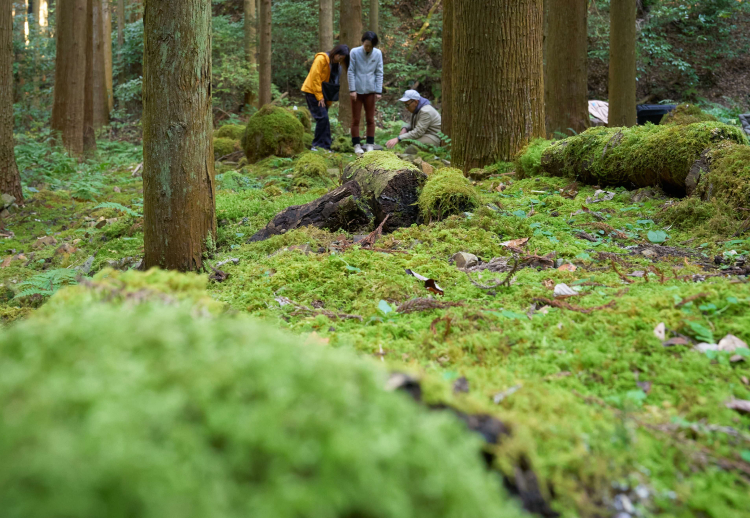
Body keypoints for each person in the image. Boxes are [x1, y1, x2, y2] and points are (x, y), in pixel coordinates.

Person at [301, 44, 350, 151]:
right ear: (336, 53)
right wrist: (319, 97)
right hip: (312, 92)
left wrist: (327, 100)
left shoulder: (336, 66)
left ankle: (326, 145)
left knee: (324, 119)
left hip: (323, 95)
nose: (340, 60)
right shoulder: (321, 59)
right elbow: (315, 78)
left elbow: (330, 85)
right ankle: (317, 145)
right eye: (340, 58)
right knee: (322, 118)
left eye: (342, 59)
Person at [348, 32, 384, 155]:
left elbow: (379, 72)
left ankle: (370, 144)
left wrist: (378, 91)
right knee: (356, 119)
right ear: (363, 42)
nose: (367, 47)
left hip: (370, 91)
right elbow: (351, 71)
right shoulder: (354, 52)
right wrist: (352, 90)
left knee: (370, 119)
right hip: (357, 91)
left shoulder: (378, 54)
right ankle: (356, 144)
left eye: (370, 46)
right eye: (366, 45)